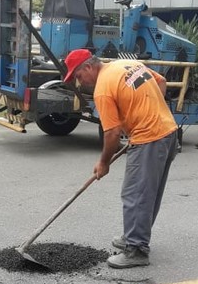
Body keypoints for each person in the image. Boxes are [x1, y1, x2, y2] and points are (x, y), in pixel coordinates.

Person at [63, 49, 178, 269]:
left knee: (135, 194)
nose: (79, 83)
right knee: (147, 193)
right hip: (168, 132)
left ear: (88, 67)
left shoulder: (103, 89)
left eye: (78, 76)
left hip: (150, 139)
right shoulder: (124, 65)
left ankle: (136, 250)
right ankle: (133, 237)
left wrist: (103, 163)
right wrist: (150, 112)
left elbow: (112, 133)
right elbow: (161, 81)